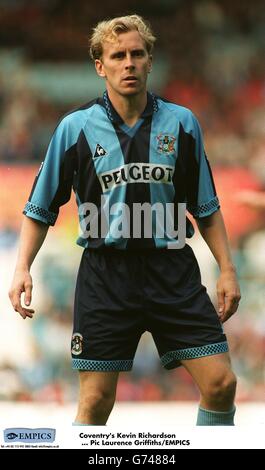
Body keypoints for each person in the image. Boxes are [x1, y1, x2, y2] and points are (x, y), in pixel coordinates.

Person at [9, 14, 241, 426]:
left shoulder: (183, 124)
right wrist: (22, 267)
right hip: (106, 275)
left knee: (221, 384)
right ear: (100, 65)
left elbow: (205, 207)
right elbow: (39, 208)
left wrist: (227, 269)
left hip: (172, 272)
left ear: (151, 60)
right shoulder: (74, 128)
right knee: (96, 402)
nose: (128, 63)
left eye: (137, 54)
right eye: (118, 55)